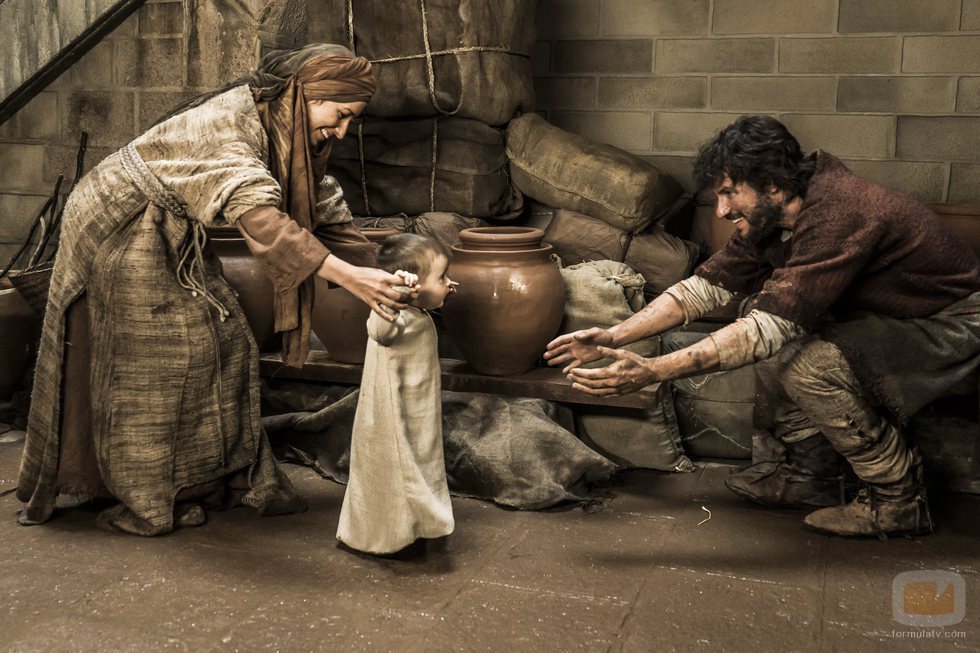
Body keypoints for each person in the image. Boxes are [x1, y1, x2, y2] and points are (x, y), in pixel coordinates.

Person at [17, 43, 416, 536]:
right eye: (341, 115)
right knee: (157, 361)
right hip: (121, 224)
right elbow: (262, 218)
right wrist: (350, 277)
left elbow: (323, 207)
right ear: (306, 95)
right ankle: (145, 498)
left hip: (171, 227)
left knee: (225, 344)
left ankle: (202, 480)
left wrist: (385, 273)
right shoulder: (229, 125)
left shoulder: (287, 128)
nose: (342, 130)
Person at [545, 115, 980, 538]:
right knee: (763, 320)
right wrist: (612, 335)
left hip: (954, 325)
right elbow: (704, 289)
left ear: (772, 184)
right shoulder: (775, 216)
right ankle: (811, 476)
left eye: (731, 193)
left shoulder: (841, 211)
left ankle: (898, 502)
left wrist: (653, 371)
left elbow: (768, 329)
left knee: (804, 359)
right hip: (897, 317)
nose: (721, 209)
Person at [336, 233, 457, 556]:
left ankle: (416, 528)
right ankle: (388, 538)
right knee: (395, 472)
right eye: (442, 277)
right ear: (411, 286)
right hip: (393, 416)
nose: (448, 283)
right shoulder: (392, 314)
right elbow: (379, 331)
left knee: (420, 467)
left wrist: (434, 288)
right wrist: (396, 292)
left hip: (418, 410)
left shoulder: (418, 313)